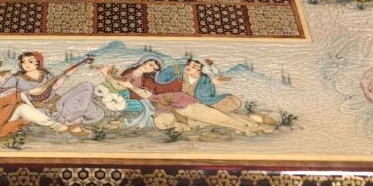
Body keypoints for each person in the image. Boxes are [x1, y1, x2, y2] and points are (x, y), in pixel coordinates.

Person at [111, 59, 268, 136]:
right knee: (163, 122)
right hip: (172, 106)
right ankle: (248, 125)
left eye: (153, 65)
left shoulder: (165, 77)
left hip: (185, 103)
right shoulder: (145, 80)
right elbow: (147, 93)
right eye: (189, 65)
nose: (151, 67)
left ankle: (251, 127)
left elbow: (154, 90)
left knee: (219, 117)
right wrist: (129, 84)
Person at [0, 52, 102, 136]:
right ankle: (71, 121)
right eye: (23, 62)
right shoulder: (16, 78)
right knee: (88, 106)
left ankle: (69, 119)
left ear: (38, 62)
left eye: (30, 61)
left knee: (87, 86)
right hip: (41, 110)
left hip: (58, 103)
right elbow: (3, 95)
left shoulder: (45, 74)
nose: (26, 64)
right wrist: (29, 92)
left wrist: (67, 75)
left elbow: (55, 86)